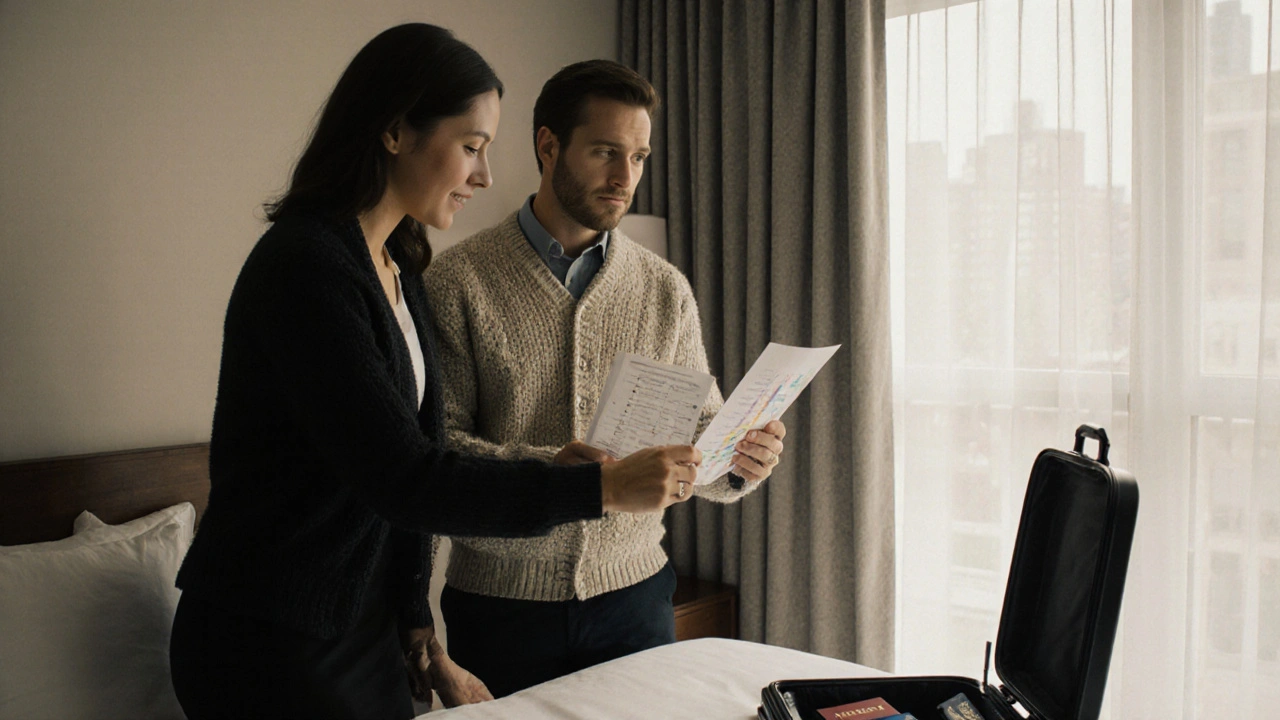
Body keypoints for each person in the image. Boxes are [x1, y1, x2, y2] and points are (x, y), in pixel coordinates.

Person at [169, 28, 701, 720]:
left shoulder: (396, 264)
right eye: (473, 146)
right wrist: (594, 486)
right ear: (395, 131)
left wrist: (420, 636)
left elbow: (406, 483)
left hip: (359, 628)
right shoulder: (306, 268)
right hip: (272, 634)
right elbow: (405, 477)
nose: (483, 175)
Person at [423, 59, 787, 698]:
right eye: (605, 152)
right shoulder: (458, 284)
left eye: (640, 157)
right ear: (547, 146)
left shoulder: (665, 290)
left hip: (637, 600)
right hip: (501, 609)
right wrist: (580, 480)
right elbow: (438, 458)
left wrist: (739, 461)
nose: (626, 179)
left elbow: (702, 429)